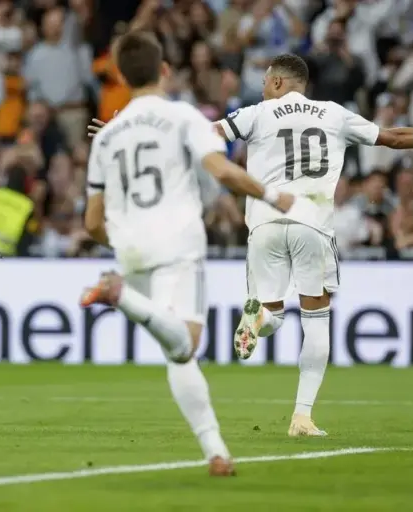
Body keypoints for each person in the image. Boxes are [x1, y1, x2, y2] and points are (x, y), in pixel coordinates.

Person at [80, 31, 297, 477]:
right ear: (165, 70)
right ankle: (120, 295)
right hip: (177, 240)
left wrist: (118, 241)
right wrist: (275, 196)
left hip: (130, 246)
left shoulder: (108, 135)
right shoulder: (182, 116)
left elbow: (91, 223)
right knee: (188, 342)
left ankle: (216, 451)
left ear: (120, 75)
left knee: (178, 354)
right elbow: (221, 170)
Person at [214, 53, 413, 437]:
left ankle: (260, 317)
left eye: (264, 83)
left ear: (277, 83)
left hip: (265, 223)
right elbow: (391, 138)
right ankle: (302, 417)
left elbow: (206, 136)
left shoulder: (255, 113)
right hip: (313, 226)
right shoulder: (334, 114)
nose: (262, 89)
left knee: (273, 316)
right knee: (317, 322)